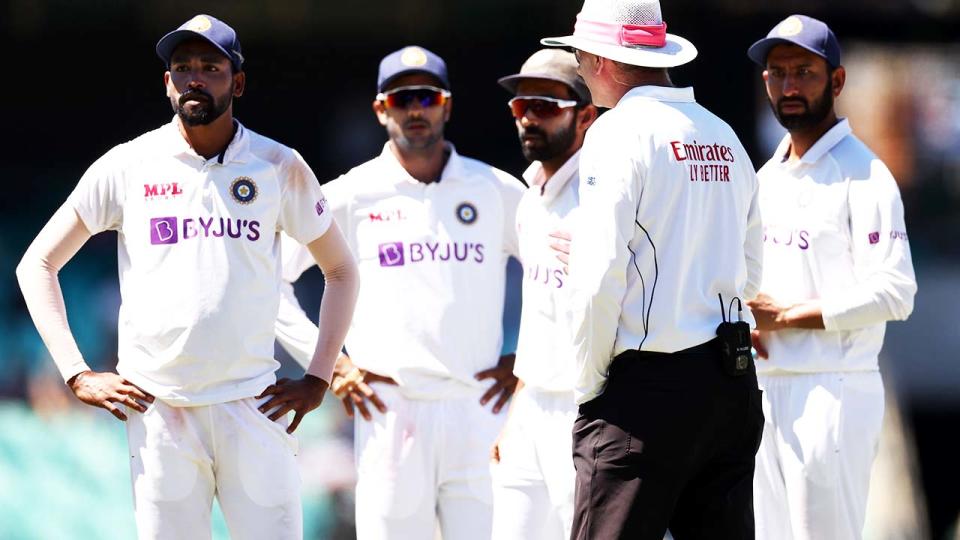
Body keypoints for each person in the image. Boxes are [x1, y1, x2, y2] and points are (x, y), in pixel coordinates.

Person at [15, 14, 359, 539]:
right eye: (182, 68)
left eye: (210, 67)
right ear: (166, 82)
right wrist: (76, 372)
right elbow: (36, 264)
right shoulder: (128, 164)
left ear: (237, 82)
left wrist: (318, 376)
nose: (194, 78)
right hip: (159, 411)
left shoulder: (278, 165)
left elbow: (340, 269)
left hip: (253, 403)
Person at [275, 46, 525, 540]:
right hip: (389, 407)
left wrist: (529, 359)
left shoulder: (494, 189)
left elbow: (559, 272)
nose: (416, 109)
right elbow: (268, 279)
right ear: (381, 108)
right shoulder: (351, 193)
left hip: (479, 408)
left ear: (447, 105)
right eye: (402, 97)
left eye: (427, 97)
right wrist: (328, 364)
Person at [541, 0, 765, 538]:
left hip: (646, 391)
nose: (578, 68)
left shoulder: (617, 133)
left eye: (579, 56)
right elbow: (751, 273)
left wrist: (591, 384)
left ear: (605, 62)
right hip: (730, 385)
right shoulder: (724, 135)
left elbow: (598, 279)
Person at [745, 15, 917, 540]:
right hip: (765, 391)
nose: (790, 86)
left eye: (804, 72)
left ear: (836, 83)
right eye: (778, 73)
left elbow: (896, 292)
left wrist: (790, 317)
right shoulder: (766, 176)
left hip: (833, 392)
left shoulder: (864, 176)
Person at [488, 49, 598, 540]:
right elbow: (539, 316)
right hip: (531, 410)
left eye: (547, 106)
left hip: (584, 410)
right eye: (521, 106)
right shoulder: (529, 195)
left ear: (586, 116)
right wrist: (518, 408)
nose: (529, 117)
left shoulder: (603, 195)